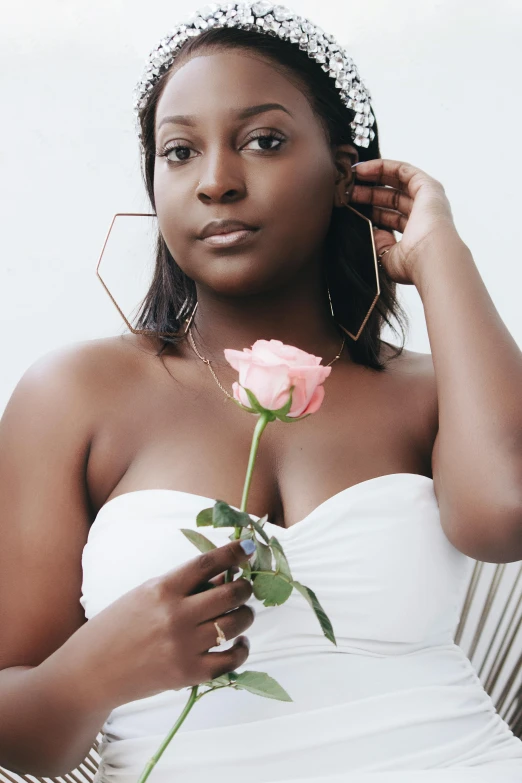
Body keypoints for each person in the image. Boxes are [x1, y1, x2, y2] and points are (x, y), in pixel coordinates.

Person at [1, 3, 522, 782]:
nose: (216, 181)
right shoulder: (73, 396)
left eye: (264, 141)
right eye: (179, 151)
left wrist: (441, 252)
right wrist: (99, 668)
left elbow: (506, 514)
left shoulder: (427, 390)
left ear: (347, 170)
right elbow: (20, 735)